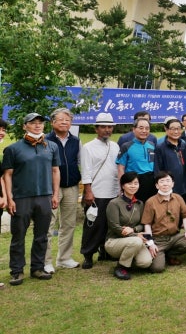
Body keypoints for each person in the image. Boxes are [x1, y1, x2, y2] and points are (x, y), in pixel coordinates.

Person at [3, 113, 61, 285]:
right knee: (18, 236)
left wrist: (55, 194)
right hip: (21, 198)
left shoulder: (51, 146)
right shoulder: (13, 149)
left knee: (42, 235)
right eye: (33, 123)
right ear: (24, 126)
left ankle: (37, 268)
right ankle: (17, 271)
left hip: (44, 196)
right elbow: (7, 175)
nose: (37, 126)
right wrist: (10, 198)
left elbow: (55, 171)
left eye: (40, 123)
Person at [80, 112, 120, 269]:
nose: (107, 130)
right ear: (96, 128)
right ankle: (88, 254)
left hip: (113, 192)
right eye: (103, 127)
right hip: (96, 193)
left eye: (110, 127)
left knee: (110, 225)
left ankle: (106, 251)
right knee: (93, 225)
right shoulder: (88, 147)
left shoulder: (115, 146)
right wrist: (88, 191)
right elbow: (86, 171)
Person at [45, 107, 83, 272]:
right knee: (48, 224)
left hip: (72, 186)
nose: (64, 122)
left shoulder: (76, 141)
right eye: (60, 120)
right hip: (51, 187)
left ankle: (64, 258)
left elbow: (80, 161)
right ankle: (45, 261)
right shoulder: (45, 140)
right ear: (53, 122)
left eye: (67, 120)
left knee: (68, 224)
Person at [141, 171, 186, 272]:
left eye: (168, 181)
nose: (165, 184)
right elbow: (147, 224)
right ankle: (161, 254)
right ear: (157, 185)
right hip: (158, 240)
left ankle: (170, 254)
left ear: (173, 183)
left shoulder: (178, 198)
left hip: (174, 236)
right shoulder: (150, 202)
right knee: (157, 268)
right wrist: (150, 243)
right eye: (161, 181)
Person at [104, 173, 153, 280]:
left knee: (146, 262)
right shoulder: (114, 203)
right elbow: (114, 227)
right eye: (129, 183)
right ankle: (121, 268)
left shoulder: (140, 204)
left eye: (136, 183)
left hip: (133, 240)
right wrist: (136, 235)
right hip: (114, 241)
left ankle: (128, 261)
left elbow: (142, 224)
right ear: (122, 185)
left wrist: (134, 229)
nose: (133, 186)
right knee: (136, 241)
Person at [117, 118, 157, 202]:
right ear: (134, 129)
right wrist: (122, 186)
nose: (144, 131)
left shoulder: (152, 145)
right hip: (134, 182)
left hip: (151, 182)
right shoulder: (126, 146)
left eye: (147, 128)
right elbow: (121, 168)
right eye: (141, 128)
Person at [154, 118, 186, 201]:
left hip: (184, 187)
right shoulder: (160, 147)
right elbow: (157, 169)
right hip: (168, 188)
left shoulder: (183, 144)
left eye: (178, 129)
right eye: (173, 129)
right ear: (166, 129)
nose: (176, 132)